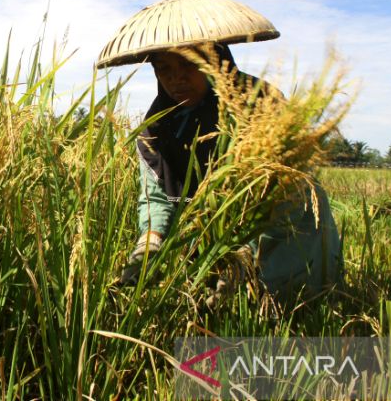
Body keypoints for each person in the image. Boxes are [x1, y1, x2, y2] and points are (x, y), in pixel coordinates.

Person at [118, 43, 343, 300]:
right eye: (163, 68)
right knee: (223, 321)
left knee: (291, 313)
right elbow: (156, 198)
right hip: (218, 240)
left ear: (216, 62)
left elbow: (282, 191)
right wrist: (150, 241)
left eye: (188, 64)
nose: (175, 78)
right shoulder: (158, 127)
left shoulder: (260, 104)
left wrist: (242, 255)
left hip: (286, 236)